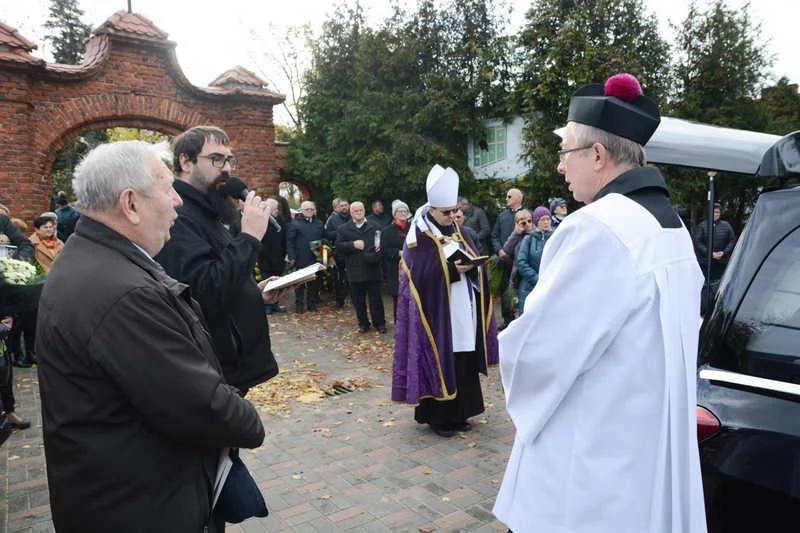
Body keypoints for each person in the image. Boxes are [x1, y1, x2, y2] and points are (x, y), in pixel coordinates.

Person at [493, 73, 707, 533]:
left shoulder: (597, 228)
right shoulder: (673, 231)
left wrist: (506, 345)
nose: (560, 167)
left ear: (597, 153)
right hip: (645, 455)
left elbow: (541, 353)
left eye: (566, 152)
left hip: (590, 466)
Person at [36, 140, 265, 532]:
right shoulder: (123, 292)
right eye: (165, 188)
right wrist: (246, 417)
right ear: (130, 203)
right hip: (143, 507)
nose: (177, 201)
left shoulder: (94, 260)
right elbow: (203, 408)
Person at [155, 126, 280, 393]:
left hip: (233, 368)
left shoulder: (210, 211)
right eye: (216, 159)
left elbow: (221, 273)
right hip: (211, 372)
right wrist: (249, 237)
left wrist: (254, 292)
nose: (226, 168)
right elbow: (204, 291)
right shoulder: (179, 216)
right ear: (185, 161)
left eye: (229, 159)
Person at [392, 165, 498, 438]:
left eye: (455, 211)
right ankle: (440, 418)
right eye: (447, 212)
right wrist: (452, 271)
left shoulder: (462, 232)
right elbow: (416, 279)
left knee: (463, 358)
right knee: (443, 358)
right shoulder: (419, 240)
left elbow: (477, 259)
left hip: (464, 308)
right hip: (436, 315)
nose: (453, 216)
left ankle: (462, 412)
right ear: (431, 210)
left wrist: (474, 267)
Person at [336, 201, 386, 333]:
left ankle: (380, 323)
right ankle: (363, 323)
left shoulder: (375, 226)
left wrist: (376, 255)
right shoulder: (343, 228)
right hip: (354, 270)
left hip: (372, 268)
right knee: (358, 301)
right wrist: (353, 245)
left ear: (364, 211)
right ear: (351, 213)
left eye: (360, 210)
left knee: (376, 300)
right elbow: (338, 247)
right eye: (355, 211)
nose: (358, 213)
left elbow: (382, 246)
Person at [491, 188, 525, 329]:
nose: (507, 199)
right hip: (505, 260)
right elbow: (494, 235)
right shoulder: (502, 216)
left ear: (518, 198)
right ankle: (507, 322)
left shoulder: (527, 214)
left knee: (523, 290)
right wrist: (499, 250)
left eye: (509, 196)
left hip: (522, 260)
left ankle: (524, 321)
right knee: (505, 291)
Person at [287, 200, 325, 313]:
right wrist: (291, 256)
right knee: (300, 283)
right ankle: (299, 305)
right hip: (301, 257)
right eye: (307, 209)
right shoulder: (295, 223)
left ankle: (311, 304)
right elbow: (290, 241)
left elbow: (324, 238)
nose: (309, 211)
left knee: (314, 282)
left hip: (315, 257)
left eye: (311, 209)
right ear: (301, 210)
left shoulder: (318, 223)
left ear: (315, 210)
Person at [516, 206, 553, 311]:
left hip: (550, 285)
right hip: (529, 286)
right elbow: (521, 262)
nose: (546, 222)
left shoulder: (555, 237)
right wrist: (536, 278)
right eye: (542, 219)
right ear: (536, 221)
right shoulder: (529, 238)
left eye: (548, 219)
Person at [499, 209, 534, 319]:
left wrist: (530, 230)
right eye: (522, 221)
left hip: (533, 274)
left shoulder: (536, 233)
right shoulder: (516, 236)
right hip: (518, 277)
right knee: (519, 307)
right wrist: (516, 233)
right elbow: (505, 251)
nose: (526, 224)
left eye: (529, 220)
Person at [258, 197, 289, 314]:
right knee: (266, 283)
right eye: (275, 208)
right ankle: (267, 306)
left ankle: (276, 304)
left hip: (279, 257)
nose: (277, 211)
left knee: (278, 283)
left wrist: (286, 253)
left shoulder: (280, 220)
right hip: (265, 258)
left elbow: (285, 237)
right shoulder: (262, 220)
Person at [381, 200, 410, 323]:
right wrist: (399, 253)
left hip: (412, 269)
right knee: (398, 299)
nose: (403, 213)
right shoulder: (387, 231)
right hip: (395, 270)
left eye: (405, 211)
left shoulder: (413, 228)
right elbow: (383, 250)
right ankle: (399, 326)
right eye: (400, 211)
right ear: (394, 214)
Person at [694, 202, 736, 285]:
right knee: (706, 286)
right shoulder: (702, 226)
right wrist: (710, 253)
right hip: (706, 264)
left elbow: (732, 240)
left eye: (717, 212)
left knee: (720, 285)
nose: (715, 214)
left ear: (720, 213)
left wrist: (724, 252)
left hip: (722, 263)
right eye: (713, 212)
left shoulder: (726, 225)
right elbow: (698, 242)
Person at [325, 198, 351, 307]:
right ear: (338, 207)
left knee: (352, 275)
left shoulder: (352, 217)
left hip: (352, 251)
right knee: (339, 277)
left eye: (346, 205)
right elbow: (327, 234)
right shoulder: (332, 220)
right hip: (339, 252)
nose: (344, 207)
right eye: (342, 205)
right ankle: (339, 300)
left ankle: (352, 297)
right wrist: (341, 233)